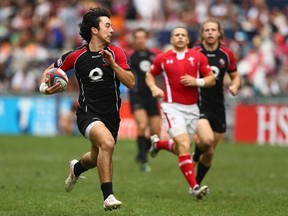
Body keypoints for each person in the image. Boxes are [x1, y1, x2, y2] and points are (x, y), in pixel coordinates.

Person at [38, 7, 135, 211]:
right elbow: (49, 71)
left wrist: (114, 65)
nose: (112, 30)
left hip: (111, 116)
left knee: (95, 156)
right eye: (107, 25)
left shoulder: (116, 53)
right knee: (107, 144)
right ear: (94, 30)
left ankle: (76, 168)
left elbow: (131, 82)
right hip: (87, 114)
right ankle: (108, 196)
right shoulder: (76, 56)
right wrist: (45, 88)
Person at [146, 26, 215, 199]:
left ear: (188, 39)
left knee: (181, 148)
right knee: (184, 144)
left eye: (183, 35)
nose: (180, 37)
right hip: (171, 107)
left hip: (192, 109)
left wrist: (196, 81)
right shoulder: (163, 58)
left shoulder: (198, 57)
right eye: (176, 35)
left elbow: (211, 79)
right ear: (171, 40)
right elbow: (150, 75)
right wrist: (154, 88)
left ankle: (158, 144)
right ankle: (194, 187)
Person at [192, 18, 241, 185]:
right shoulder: (195, 53)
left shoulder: (227, 54)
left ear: (219, 33)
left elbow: (235, 75)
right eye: (207, 30)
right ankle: (196, 154)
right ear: (202, 34)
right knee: (207, 141)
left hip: (218, 107)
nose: (210, 32)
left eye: (213, 30)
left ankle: (196, 184)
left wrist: (235, 85)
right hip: (198, 104)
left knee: (210, 151)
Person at [128, 28, 161, 172]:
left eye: (143, 37)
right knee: (142, 126)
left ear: (146, 39)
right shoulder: (130, 58)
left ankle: (141, 153)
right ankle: (144, 161)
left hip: (152, 96)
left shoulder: (154, 56)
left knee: (156, 133)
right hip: (137, 95)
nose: (140, 40)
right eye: (138, 37)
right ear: (134, 40)